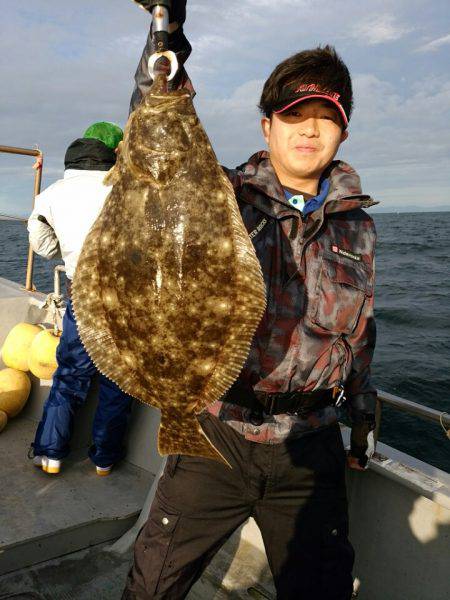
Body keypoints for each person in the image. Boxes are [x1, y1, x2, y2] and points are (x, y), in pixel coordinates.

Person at [123, 4, 377, 599]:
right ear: (268, 125)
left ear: (343, 130)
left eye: (325, 117)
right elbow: (159, 128)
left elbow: (361, 333)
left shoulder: (358, 226)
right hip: (215, 431)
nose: (309, 129)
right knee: (152, 586)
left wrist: (361, 422)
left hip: (310, 445)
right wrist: (166, 33)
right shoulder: (219, 194)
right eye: (294, 114)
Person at [28, 122, 135, 476]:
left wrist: (69, 249)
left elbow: (42, 247)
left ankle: (51, 454)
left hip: (83, 295)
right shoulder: (128, 188)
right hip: (124, 298)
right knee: (118, 379)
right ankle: (104, 459)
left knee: (70, 376)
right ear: (114, 151)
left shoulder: (51, 195)